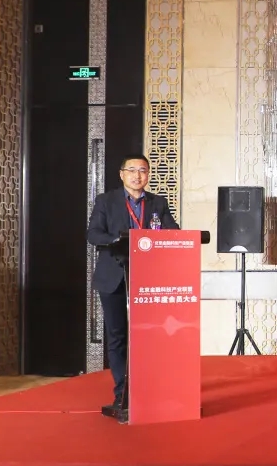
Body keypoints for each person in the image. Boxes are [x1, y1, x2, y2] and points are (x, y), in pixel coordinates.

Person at [86, 154, 179, 423]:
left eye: (143, 170)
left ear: (148, 175)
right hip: (115, 277)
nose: (137, 175)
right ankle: (122, 394)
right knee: (117, 336)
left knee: (147, 336)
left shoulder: (158, 203)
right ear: (122, 174)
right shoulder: (106, 201)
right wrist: (119, 239)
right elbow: (93, 234)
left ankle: (149, 389)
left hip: (147, 279)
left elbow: (173, 231)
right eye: (132, 170)